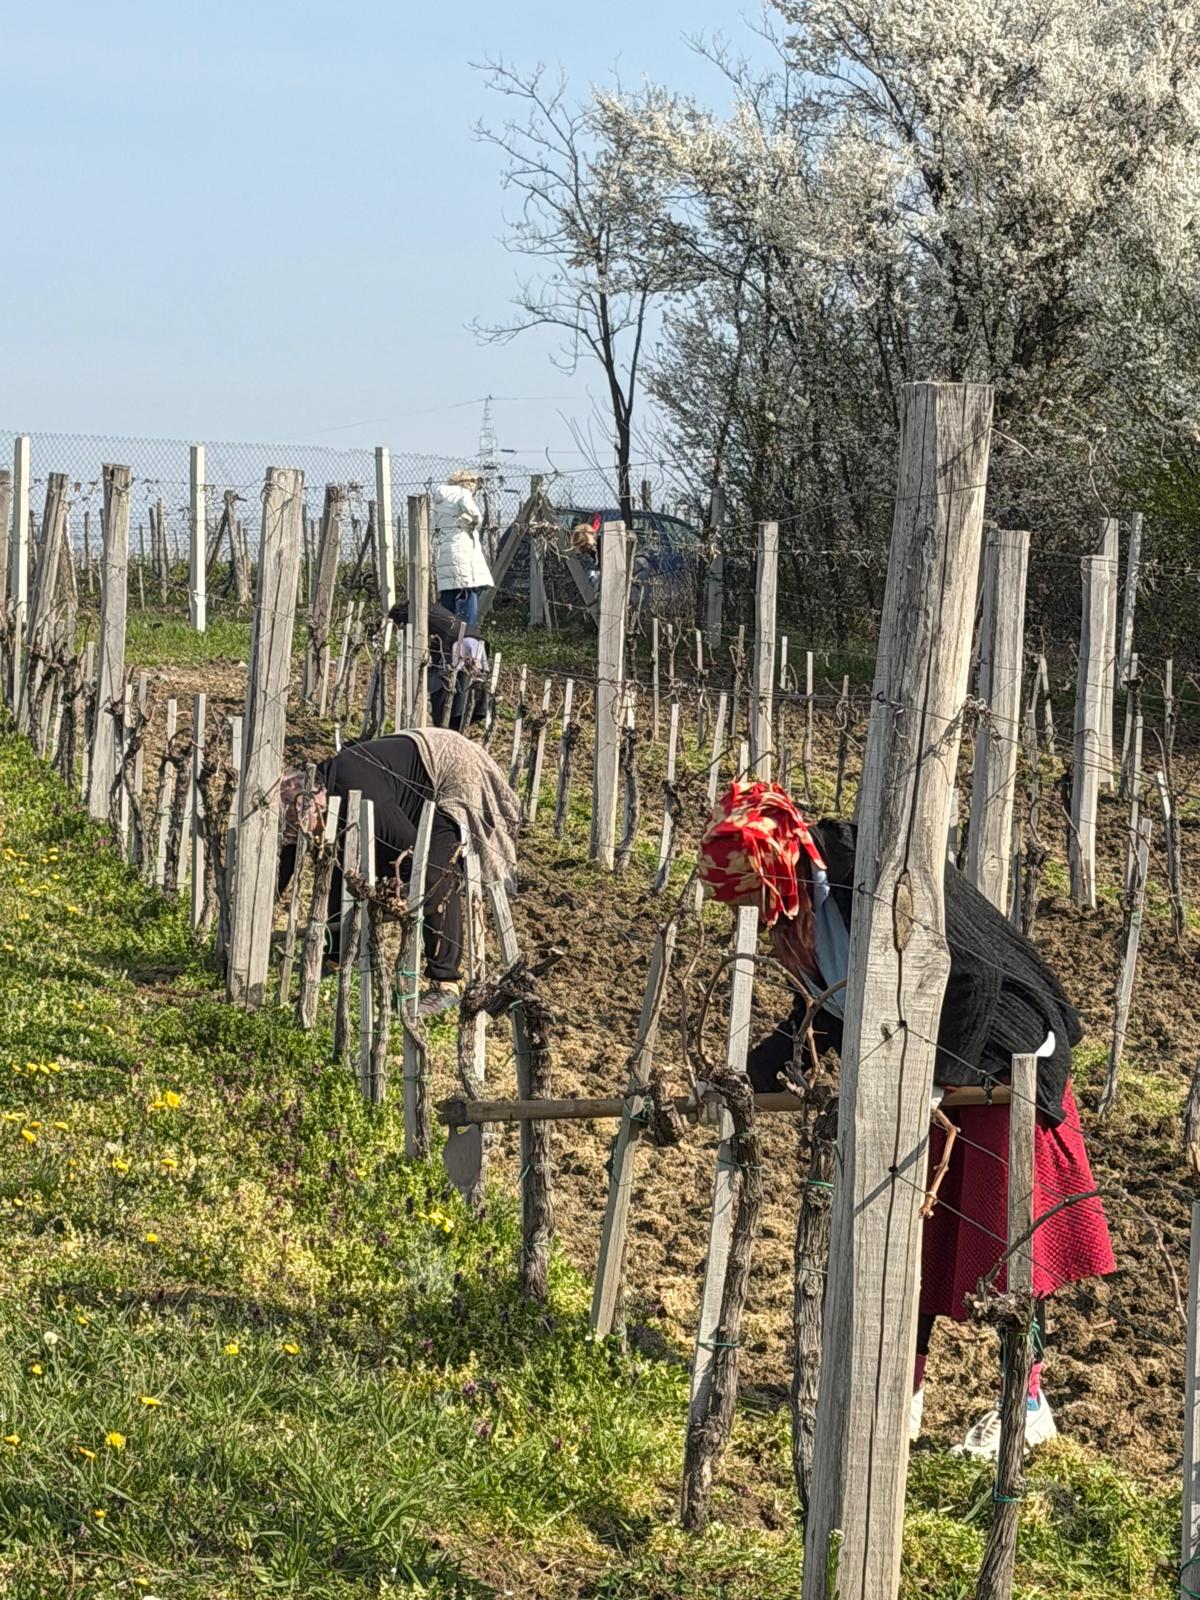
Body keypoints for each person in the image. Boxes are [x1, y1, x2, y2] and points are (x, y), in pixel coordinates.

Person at [696, 779, 1116, 1460]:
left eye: (749, 890)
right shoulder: (804, 914)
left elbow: (973, 974)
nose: (748, 910)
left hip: (999, 1064)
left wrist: (937, 1082)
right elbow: (835, 1002)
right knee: (910, 1239)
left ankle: (1028, 1404)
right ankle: (902, 1395)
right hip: (923, 1073)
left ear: (778, 865)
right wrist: (757, 1070)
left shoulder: (877, 873)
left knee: (1005, 1247)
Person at [278, 728, 520, 1018]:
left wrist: (395, 901)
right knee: (341, 862)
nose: (307, 835)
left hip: (452, 770)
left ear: (316, 802)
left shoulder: (361, 797)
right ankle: (334, 955)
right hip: (414, 764)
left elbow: (410, 857)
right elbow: (291, 858)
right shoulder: (324, 792)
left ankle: (446, 982)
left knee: (435, 872)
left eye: (306, 825)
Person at [388, 598, 488, 728]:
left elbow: (421, 647)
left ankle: (448, 728)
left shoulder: (410, 615)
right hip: (471, 644)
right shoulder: (422, 606)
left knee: (450, 698)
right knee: (461, 697)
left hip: (460, 648)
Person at [433, 470, 493, 627]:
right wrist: (471, 522)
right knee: (467, 595)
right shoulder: (462, 492)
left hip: (444, 553)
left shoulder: (439, 501)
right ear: (468, 483)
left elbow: (435, 527)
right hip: (462, 551)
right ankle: (467, 638)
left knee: (448, 597)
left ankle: (448, 639)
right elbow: (476, 515)